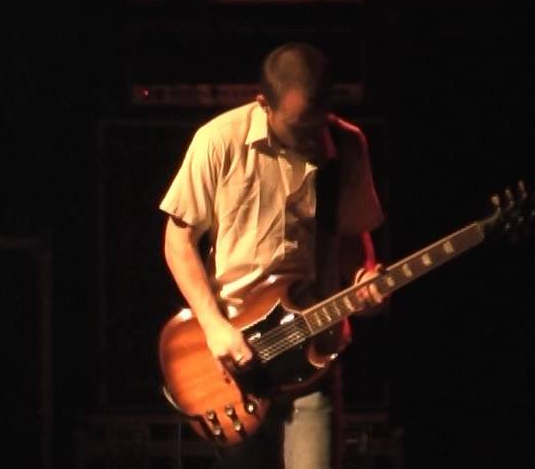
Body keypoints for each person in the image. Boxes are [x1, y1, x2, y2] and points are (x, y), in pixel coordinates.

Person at [159, 42, 385, 469]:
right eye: (297, 128)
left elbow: (352, 235)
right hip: (236, 357)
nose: (308, 139)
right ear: (263, 103)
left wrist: (365, 275)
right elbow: (178, 241)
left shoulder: (347, 145)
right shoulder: (218, 140)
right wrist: (214, 327)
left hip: (313, 352)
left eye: (315, 126)